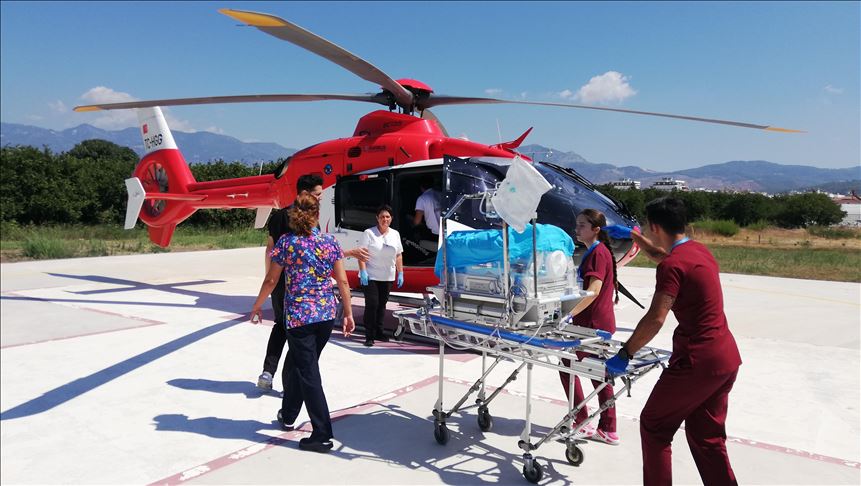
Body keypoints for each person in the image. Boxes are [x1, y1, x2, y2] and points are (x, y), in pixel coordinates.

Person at [604, 196, 742, 485]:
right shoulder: (698, 251)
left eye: (646, 226)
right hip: (725, 358)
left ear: (655, 227)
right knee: (707, 437)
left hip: (697, 362)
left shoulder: (672, 266)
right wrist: (633, 236)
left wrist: (626, 352)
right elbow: (665, 257)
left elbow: (656, 318)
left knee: (655, 426)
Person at [250, 193, 355, 453]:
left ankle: (322, 433)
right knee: (301, 365)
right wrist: (348, 313)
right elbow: (342, 281)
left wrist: (257, 305)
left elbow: (271, 280)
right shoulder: (330, 242)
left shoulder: (287, 243)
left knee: (309, 373)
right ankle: (288, 415)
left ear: (294, 215)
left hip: (300, 318)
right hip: (326, 316)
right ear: (318, 214)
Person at [256, 174, 368, 391]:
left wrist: (270, 279)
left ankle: (268, 371)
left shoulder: (278, 216)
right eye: (318, 195)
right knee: (300, 338)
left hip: (281, 282)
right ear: (305, 194)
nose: (320, 199)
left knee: (281, 326)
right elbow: (315, 251)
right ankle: (291, 388)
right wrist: (347, 253)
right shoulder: (308, 217)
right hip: (302, 288)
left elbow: (271, 250)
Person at [558, 209, 620, 445]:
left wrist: (569, 313)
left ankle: (583, 420)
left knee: (568, 366)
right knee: (598, 373)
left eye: (582, 225)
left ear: (596, 229)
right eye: (577, 224)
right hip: (598, 321)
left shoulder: (597, 253)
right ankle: (607, 427)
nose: (577, 228)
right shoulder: (598, 251)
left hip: (592, 324)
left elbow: (593, 291)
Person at [358, 205, 404, 347]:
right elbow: (361, 254)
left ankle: (379, 331)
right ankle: (369, 335)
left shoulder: (395, 234)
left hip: (387, 276)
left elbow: (398, 255)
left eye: (387, 217)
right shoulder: (369, 233)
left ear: (391, 218)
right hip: (370, 275)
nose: (385, 219)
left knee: (382, 305)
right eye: (382, 217)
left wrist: (401, 272)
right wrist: (363, 271)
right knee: (372, 304)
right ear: (377, 218)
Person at [413, 175, 442, 239]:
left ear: (421, 187)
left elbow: (417, 222)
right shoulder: (441, 194)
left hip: (433, 235)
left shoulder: (422, 198)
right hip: (445, 233)